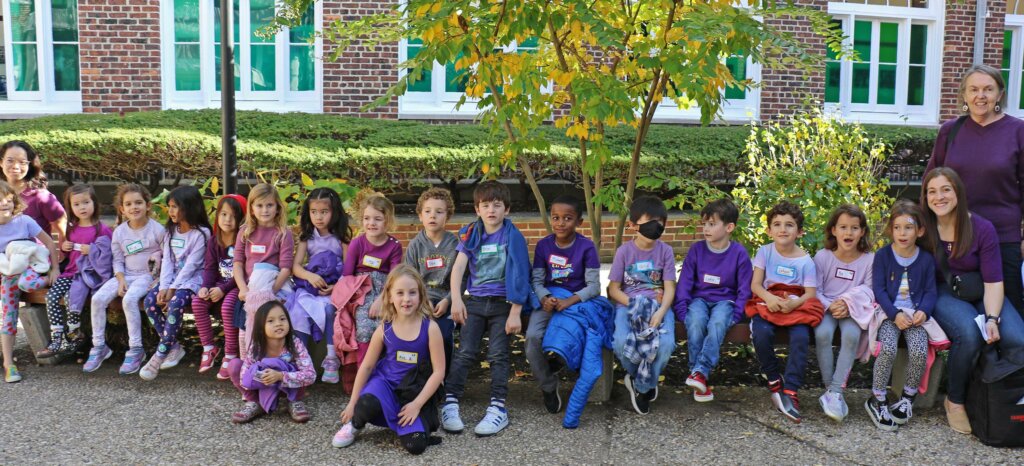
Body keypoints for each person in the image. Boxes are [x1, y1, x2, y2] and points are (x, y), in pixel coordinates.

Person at [921, 167, 1024, 434]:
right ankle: (955, 401)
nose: (939, 197)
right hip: (940, 291)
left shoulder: (981, 228)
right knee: (968, 332)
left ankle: (999, 399)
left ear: (958, 192)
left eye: (946, 189)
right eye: (932, 191)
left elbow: (993, 281)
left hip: (980, 289)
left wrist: (992, 318)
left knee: (1017, 337)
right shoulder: (922, 227)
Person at [926, 64, 1024, 316]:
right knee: (966, 312)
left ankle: (1007, 356)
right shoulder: (951, 130)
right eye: (974, 89)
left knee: (1009, 313)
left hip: (1003, 237)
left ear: (999, 94)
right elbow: (931, 180)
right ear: (964, 95)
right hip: (955, 238)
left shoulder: (1017, 131)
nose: (981, 96)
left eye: (988, 89)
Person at [441, 181, 536, 437]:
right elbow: (458, 268)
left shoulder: (512, 236)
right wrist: (457, 300)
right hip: (474, 303)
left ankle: (497, 408)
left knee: (498, 355)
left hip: (502, 305)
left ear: (506, 209)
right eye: (486, 205)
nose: (491, 210)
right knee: (466, 353)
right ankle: (450, 402)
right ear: (477, 209)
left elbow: (520, 274)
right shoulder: (472, 233)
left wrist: (516, 311)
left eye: (497, 205)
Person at [332, 265, 445, 455]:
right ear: (390, 297)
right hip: (385, 385)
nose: (406, 299)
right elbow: (367, 366)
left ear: (421, 296)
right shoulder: (385, 328)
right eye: (400, 293)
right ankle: (356, 424)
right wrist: (352, 403)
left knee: (416, 446)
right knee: (365, 403)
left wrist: (417, 405)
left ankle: (405, 423)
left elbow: (439, 371)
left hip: (413, 392)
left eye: (412, 293)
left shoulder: (431, 328)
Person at [528, 194, 608, 427]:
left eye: (567, 218)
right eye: (556, 217)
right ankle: (548, 386)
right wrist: (545, 297)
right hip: (550, 299)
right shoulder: (544, 245)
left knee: (577, 335)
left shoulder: (586, 247)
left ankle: (562, 363)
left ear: (579, 222)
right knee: (533, 337)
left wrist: (571, 300)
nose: (560, 223)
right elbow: (537, 280)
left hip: (577, 301)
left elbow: (594, 286)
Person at [746, 201, 823, 424]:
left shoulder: (805, 261)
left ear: (799, 232)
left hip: (794, 306)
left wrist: (794, 304)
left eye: (789, 225)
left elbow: (810, 294)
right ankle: (773, 377)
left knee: (800, 337)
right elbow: (756, 285)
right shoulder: (764, 252)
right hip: (768, 302)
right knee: (761, 333)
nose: (783, 229)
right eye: (777, 224)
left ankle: (791, 388)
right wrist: (769, 298)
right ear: (769, 230)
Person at [868, 199, 938, 431]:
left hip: (915, 315)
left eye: (908, 228)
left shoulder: (926, 259)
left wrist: (923, 311)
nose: (902, 233)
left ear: (919, 231)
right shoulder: (883, 256)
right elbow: (879, 289)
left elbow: (930, 290)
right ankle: (877, 398)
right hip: (889, 314)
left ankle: (907, 398)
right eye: (897, 227)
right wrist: (894, 313)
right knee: (887, 348)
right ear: (890, 230)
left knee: (919, 350)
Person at [673, 198, 752, 403]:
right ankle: (699, 376)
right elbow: (685, 283)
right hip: (699, 299)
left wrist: (736, 314)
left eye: (712, 224)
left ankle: (699, 371)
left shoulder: (739, 254)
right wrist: (682, 311)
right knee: (696, 321)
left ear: (729, 227)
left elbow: (744, 289)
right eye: (705, 224)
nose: (706, 229)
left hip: (726, 302)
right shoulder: (697, 250)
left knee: (717, 323)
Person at [85, 184, 165, 375]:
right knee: (97, 299)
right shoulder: (120, 232)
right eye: (128, 204)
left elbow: (167, 254)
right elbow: (118, 259)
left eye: (138, 203)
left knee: (129, 300)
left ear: (147, 205)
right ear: (122, 209)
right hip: (125, 274)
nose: (134, 207)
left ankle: (136, 349)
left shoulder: (157, 229)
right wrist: (120, 280)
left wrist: (158, 270)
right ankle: (99, 346)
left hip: (147, 276)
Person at [609, 195, 677, 415]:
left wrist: (661, 312)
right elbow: (613, 289)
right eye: (649, 223)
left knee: (665, 345)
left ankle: (641, 386)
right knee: (620, 343)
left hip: (658, 305)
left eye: (660, 223)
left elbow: (669, 288)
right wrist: (634, 304)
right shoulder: (624, 252)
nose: (655, 228)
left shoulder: (665, 251)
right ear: (632, 225)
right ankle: (642, 378)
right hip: (628, 305)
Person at [140, 186, 211, 380]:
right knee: (150, 302)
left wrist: (172, 290)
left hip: (193, 280)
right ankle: (174, 346)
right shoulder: (171, 231)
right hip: (171, 279)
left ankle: (160, 353)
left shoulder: (201, 234)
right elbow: (168, 261)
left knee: (175, 302)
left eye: (175, 207)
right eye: (169, 206)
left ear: (190, 207)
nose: (170, 211)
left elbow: (192, 265)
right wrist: (163, 287)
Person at [812, 204, 874, 422]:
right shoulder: (823, 256)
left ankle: (836, 391)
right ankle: (830, 390)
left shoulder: (868, 259)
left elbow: (869, 289)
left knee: (851, 336)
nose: (849, 233)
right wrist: (831, 306)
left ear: (863, 232)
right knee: (822, 334)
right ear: (833, 230)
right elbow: (815, 289)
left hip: (853, 310)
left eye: (855, 228)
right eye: (843, 227)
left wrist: (848, 304)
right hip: (827, 307)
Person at [38, 184, 112, 359]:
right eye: (76, 204)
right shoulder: (71, 228)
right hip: (69, 272)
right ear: (70, 207)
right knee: (52, 296)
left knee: (73, 296)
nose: (82, 207)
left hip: (86, 276)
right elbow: (66, 255)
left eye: (86, 202)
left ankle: (74, 333)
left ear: (94, 203)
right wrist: (64, 246)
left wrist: (92, 250)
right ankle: (57, 337)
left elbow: (108, 255)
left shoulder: (102, 229)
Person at [0, 181, 60, 382]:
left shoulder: (24, 221)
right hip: (7, 274)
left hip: (31, 268)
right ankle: (9, 363)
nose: (4, 204)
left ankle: (43, 281)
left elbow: (50, 242)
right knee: (8, 316)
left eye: (8, 200)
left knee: (27, 284)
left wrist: (54, 269)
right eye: (0, 200)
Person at [289, 187, 350, 383]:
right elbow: (296, 266)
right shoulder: (307, 236)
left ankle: (331, 358)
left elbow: (349, 268)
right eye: (314, 212)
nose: (318, 217)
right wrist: (309, 276)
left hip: (334, 286)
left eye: (324, 212)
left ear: (335, 212)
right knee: (297, 311)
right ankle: (301, 359)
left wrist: (337, 287)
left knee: (331, 310)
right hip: (312, 284)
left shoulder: (342, 237)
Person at [228, 299, 315, 424]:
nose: (278, 324)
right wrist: (263, 377)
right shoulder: (256, 346)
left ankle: (294, 401)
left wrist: (280, 376)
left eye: (282, 319)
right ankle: (254, 402)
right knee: (234, 365)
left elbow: (310, 375)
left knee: (288, 365)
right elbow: (244, 376)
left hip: (288, 386)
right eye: (271, 321)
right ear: (260, 327)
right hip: (263, 385)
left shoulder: (295, 344)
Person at [234, 183, 294, 357]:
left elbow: (285, 268)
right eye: (259, 205)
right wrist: (243, 289)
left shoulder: (282, 233)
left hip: (273, 287)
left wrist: (271, 291)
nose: (265, 210)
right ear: (251, 208)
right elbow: (237, 263)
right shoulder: (245, 232)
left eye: (269, 205)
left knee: (269, 323)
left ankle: (270, 360)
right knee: (243, 323)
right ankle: (246, 361)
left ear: (277, 207)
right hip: (249, 289)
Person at [403, 187, 459, 371]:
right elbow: (409, 277)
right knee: (418, 336)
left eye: (439, 212)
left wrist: (448, 300)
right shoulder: (415, 245)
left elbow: (462, 278)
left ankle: (444, 378)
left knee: (443, 336)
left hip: (446, 300)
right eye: (427, 211)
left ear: (447, 217)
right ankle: (420, 377)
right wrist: (421, 300)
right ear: (420, 215)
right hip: (420, 300)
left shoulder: (455, 245)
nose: (432, 216)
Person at [344, 191, 403, 364]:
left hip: (386, 291)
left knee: (387, 327)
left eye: (377, 219)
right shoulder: (357, 243)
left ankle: (387, 372)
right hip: (361, 292)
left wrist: (381, 300)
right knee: (364, 328)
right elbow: (348, 275)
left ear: (387, 221)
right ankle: (364, 375)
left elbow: (394, 277)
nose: (371, 223)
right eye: (367, 218)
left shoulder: (394, 246)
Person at [191, 194, 246, 377]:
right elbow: (210, 268)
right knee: (198, 302)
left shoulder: (243, 240)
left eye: (233, 216)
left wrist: (223, 289)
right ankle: (209, 347)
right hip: (218, 284)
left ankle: (230, 353)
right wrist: (205, 287)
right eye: (223, 214)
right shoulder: (214, 241)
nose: (227, 220)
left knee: (228, 306)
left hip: (237, 284)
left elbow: (244, 270)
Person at [0, 140, 66, 240]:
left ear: (29, 165)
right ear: (1, 162)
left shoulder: (42, 197)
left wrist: (58, 254)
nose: (16, 166)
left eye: (22, 162)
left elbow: (61, 230)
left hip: (35, 253)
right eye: (10, 160)